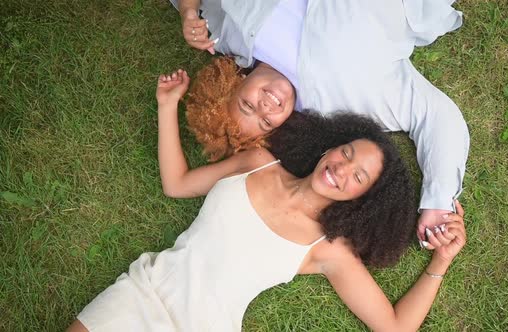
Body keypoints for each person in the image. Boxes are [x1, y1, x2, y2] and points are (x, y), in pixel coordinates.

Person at [66, 70, 467, 331]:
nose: (342, 168)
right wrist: (167, 106)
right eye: (345, 152)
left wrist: (440, 263)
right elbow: (178, 183)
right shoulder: (259, 163)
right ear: (331, 146)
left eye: (358, 176)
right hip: (142, 292)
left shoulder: (326, 250)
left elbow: (395, 328)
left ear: (364, 199)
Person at [170, 0, 470, 248]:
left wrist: (188, 11)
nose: (264, 107)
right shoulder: (345, 101)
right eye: (265, 122)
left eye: (246, 105)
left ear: (235, 81)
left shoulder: (225, 31)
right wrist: (437, 203)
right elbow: (436, 117)